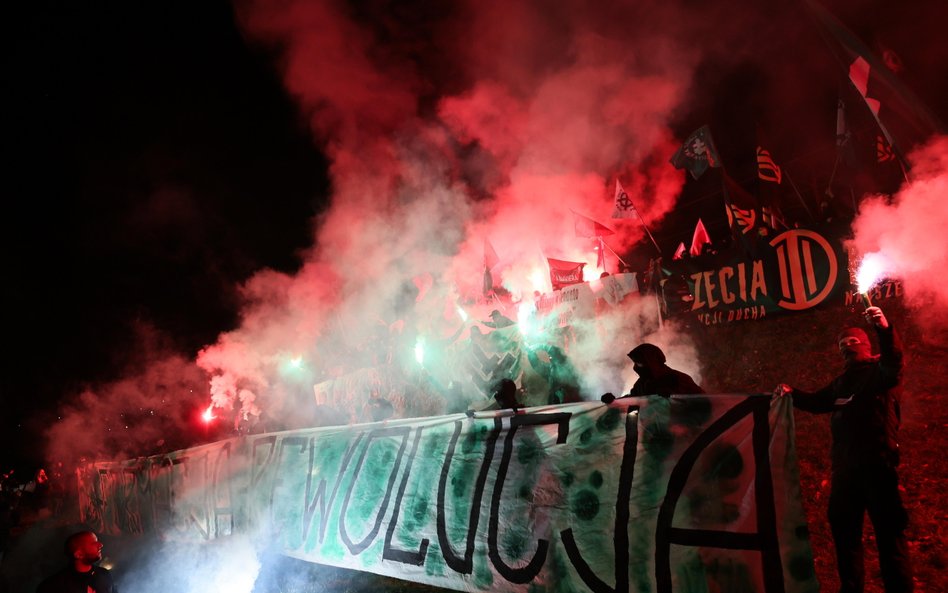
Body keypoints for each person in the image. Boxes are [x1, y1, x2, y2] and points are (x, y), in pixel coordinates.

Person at [773, 306, 912, 593]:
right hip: (845, 473)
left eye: (852, 341)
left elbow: (894, 360)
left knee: (890, 538)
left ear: (865, 344)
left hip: (878, 469)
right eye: (842, 345)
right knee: (845, 537)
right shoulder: (840, 384)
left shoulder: (881, 374)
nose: (848, 347)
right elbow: (816, 402)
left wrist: (884, 328)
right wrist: (792, 393)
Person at [602, 343, 703, 403]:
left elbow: (703, 403)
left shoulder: (679, 378)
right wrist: (614, 402)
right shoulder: (642, 383)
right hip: (652, 433)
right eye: (636, 363)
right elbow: (633, 399)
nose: (636, 367)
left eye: (640, 363)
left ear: (651, 362)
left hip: (681, 434)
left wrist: (673, 396)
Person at [37, 530, 117, 593]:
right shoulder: (53, 586)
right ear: (79, 554)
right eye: (94, 543)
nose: (100, 545)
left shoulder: (105, 574)